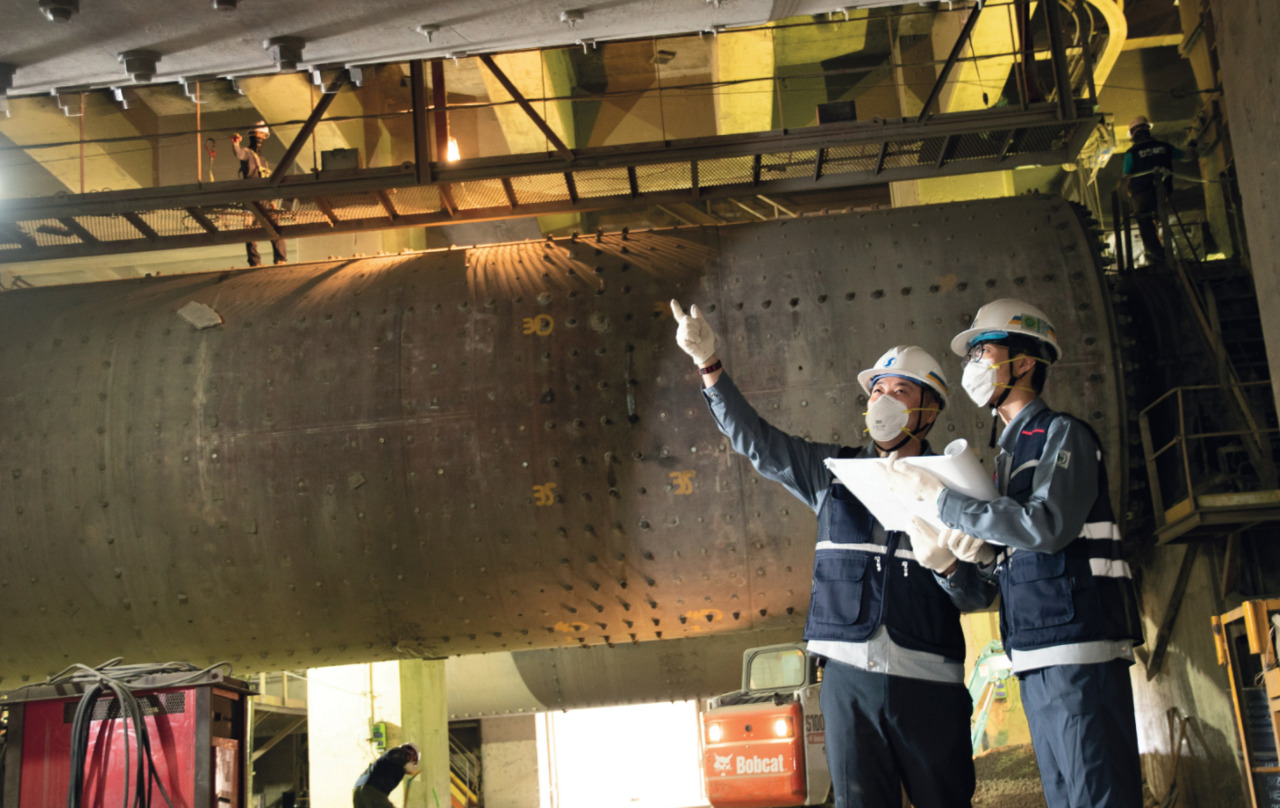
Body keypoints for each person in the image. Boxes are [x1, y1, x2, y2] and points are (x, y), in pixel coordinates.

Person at [671, 299, 995, 808]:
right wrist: (709, 366)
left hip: (929, 687)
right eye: (877, 391)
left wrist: (953, 567)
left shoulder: (957, 490)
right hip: (848, 685)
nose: (884, 400)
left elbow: (981, 596)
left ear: (928, 410)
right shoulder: (832, 474)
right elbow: (757, 441)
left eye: (900, 391)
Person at [879, 298, 1144, 808]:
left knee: (1098, 795)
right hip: (1031, 650)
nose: (971, 365)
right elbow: (994, 585)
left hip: (1079, 647)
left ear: (1023, 362)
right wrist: (955, 564)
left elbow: (1045, 526)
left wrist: (943, 501)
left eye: (983, 352)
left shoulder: (1062, 435)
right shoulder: (1002, 461)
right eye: (970, 355)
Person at [1122, 115, 1184, 267]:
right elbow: (1183, 155)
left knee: (1145, 223)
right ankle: (1165, 252)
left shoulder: (1132, 153)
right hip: (1163, 191)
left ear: (1133, 134)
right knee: (1160, 216)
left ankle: (1158, 256)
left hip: (1142, 194)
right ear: (1148, 130)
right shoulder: (1165, 146)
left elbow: (1126, 174)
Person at [230, 120, 287, 267]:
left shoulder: (263, 161)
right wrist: (235, 144)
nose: (259, 137)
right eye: (257, 134)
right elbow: (238, 154)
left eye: (262, 135)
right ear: (251, 136)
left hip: (264, 199)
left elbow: (267, 180)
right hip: (251, 198)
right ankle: (255, 262)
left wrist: (271, 201)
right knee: (251, 232)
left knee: (275, 228)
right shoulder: (247, 154)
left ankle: (280, 259)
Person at [353, 742, 421, 808]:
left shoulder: (394, 767)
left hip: (357, 791)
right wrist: (405, 763)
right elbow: (394, 755)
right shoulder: (397, 753)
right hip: (373, 790)